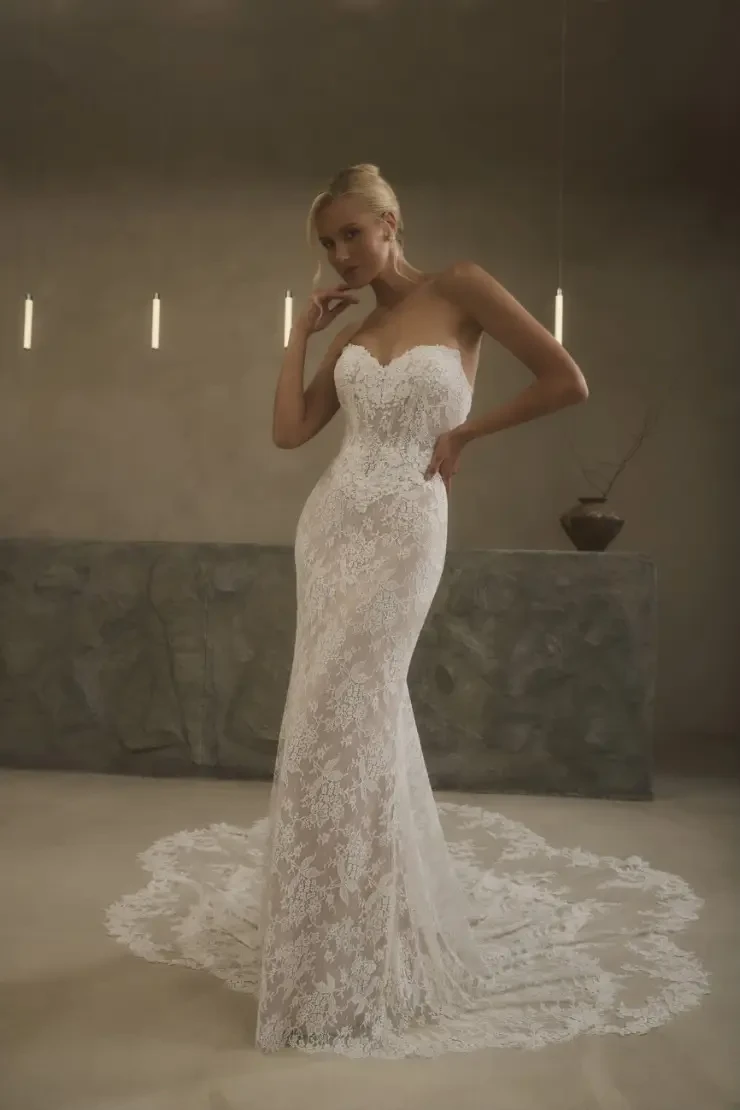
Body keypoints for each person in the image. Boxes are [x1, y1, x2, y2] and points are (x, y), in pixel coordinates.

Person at [260, 163, 588, 1053]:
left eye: (352, 235)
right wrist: (300, 333)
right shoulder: (355, 332)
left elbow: (566, 380)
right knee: (325, 717)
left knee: (359, 708)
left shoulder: (462, 289)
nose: (342, 253)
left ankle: (374, 931)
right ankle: (331, 929)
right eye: (329, 244)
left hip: (408, 522)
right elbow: (292, 432)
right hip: (330, 531)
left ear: (390, 223)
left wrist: (468, 430)